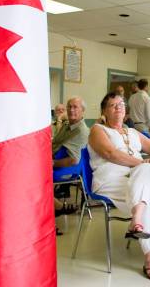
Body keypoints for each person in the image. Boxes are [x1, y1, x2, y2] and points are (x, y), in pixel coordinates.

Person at [88, 92, 150, 281]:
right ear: (104, 111)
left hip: (136, 178)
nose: (119, 107)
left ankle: (137, 221)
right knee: (145, 193)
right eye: (114, 105)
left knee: (145, 173)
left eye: (121, 104)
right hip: (110, 180)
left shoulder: (132, 132)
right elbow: (110, 153)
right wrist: (143, 164)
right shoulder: (98, 129)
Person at [52, 97, 89, 227]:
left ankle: (57, 207)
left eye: (75, 107)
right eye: (69, 106)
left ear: (82, 110)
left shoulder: (81, 131)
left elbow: (73, 160)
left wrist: (51, 164)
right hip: (54, 161)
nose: (71, 109)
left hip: (68, 169)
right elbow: (54, 143)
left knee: (34, 180)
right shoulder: (67, 125)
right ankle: (54, 206)